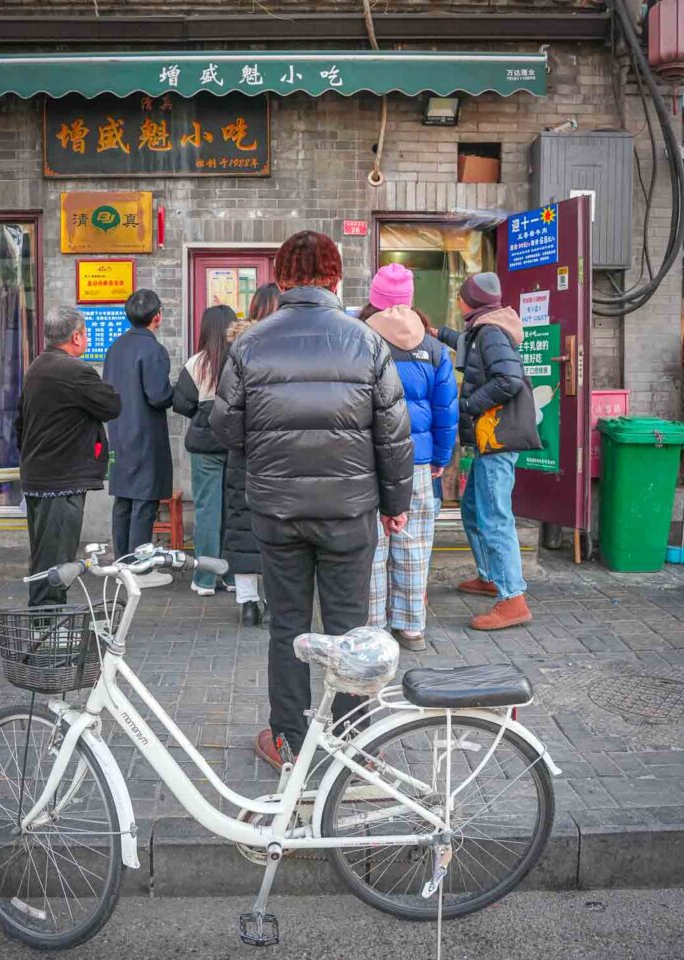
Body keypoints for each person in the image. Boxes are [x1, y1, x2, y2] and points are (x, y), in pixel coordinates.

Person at [211, 231, 413, 771]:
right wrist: (396, 503)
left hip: (277, 511)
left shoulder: (250, 343)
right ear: (334, 278)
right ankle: (351, 745)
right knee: (351, 629)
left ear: (281, 278)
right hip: (349, 511)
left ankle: (291, 742)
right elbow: (393, 434)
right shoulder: (366, 341)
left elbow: (225, 425)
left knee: (289, 627)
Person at [361, 264, 459, 652]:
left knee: (373, 543)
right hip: (417, 460)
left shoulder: (360, 339)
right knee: (415, 541)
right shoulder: (434, 348)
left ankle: (374, 627)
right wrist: (441, 454)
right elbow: (446, 407)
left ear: (375, 298)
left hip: (369, 457)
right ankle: (412, 627)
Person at [432, 272, 533, 630]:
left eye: (460, 296)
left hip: (497, 439)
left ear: (469, 301)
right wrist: (439, 334)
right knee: (474, 508)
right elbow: (472, 349)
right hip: (490, 440)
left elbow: (508, 378)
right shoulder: (484, 329)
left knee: (494, 516)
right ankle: (490, 576)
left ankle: (513, 599)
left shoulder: (489, 331)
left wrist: (471, 403)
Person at [16, 305, 121, 607]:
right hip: (59, 480)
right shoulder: (74, 371)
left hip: (39, 475)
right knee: (56, 560)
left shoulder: (37, 366)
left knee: (44, 554)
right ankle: (46, 625)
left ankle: (44, 621)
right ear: (76, 337)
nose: (86, 338)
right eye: (85, 333)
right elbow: (111, 405)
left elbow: (19, 423)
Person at [103, 289, 176, 587]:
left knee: (123, 501)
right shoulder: (153, 350)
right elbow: (158, 396)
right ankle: (139, 569)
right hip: (145, 434)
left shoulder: (115, 348)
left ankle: (122, 566)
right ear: (157, 316)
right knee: (144, 503)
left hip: (118, 432)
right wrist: (179, 393)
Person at [221, 283, 281, 626]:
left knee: (243, 526)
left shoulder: (238, 348)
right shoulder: (289, 347)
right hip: (281, 456)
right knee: (278, 531)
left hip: (243, 454)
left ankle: (247, 604)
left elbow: (224, 410)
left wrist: (238, 440)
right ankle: (275, 601)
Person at [173, 304, 236, 596]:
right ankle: (235, 576)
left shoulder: (197, 363)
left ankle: (206, 580)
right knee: (236, 510)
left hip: (204, 447)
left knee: (207, 511)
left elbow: (181, 403)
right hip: (237, 445)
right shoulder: (242, 358)